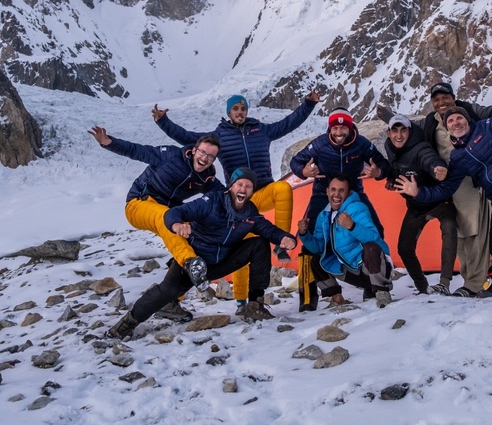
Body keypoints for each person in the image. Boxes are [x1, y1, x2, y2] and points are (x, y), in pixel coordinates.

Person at [152, 90, 320, 310]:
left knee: (282, 188)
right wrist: (163, 121)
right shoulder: (220, 136)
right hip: (239, 199)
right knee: (240, 245)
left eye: (243, 108)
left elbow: (289, 123)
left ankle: (281, 244)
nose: (240, 112)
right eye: (235, 109)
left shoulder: (262, 130)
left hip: (263, 190)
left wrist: (308, 103)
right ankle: (241, 301)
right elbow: (187, 137)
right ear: (229, 112)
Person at [378, 78, 492, 297]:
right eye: (437, 99)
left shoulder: (470, 114)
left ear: (454, 98)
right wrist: (388, 118)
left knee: (476, 231)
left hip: (473, 184)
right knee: (463, 233)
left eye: (446, 97)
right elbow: (409, 131)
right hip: (450, 181)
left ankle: (475, 283)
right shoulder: (431, 121)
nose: (442, 102)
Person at [108, 167, 298, 339]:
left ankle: (255, 305)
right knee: (167, 291)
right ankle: (126, 324)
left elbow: (268, 230)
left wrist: (285, 238)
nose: (243, 189)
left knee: (259, 244)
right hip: (193, 264)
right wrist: (176, 224)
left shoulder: (250, 213)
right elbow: (175, 213)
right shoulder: (212, 201)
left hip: (221, 263)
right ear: (231, 186)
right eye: (239, 184)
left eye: (248, 186)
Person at [289, 108, 390, 310]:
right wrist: (303, 171)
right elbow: (295, 162)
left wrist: (378, 172)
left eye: (343, 128)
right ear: (330, 128)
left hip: (353, 192)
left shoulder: (361, 144)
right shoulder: (320, 144)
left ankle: (372, 284)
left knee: (375, 231)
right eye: (335, 128)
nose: (339, 132)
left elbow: (382, 164)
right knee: (309, 240)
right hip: (322, 194)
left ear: (350, 128)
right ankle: (308, 298)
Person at [88, 125, 223, 274]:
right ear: (194, 150)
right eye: (202, 152)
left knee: (197, 228)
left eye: (210, 156)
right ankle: (190, 263)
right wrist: (108, 142)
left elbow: (226, 196)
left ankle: (187, 274)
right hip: (139, 203)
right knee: (166, 216)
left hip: (170, 210)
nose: (204, 158)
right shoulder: (170, 156)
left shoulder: (207, 178)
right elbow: (136, 150)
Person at [382, 114, 458, 295]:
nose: (399, 135)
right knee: (404, 248)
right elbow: (396, 167)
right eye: (395, 131)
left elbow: (429, 158)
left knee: (449, 227)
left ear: (410, 132)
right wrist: (391, 178)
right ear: (388, 133)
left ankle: (444, 283)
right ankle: (423, 287)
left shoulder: (420, 147)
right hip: (416, 206)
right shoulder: (389, 147)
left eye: (403, 131)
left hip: (439, 201)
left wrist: (437, 168)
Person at [297, 174, 394, 308]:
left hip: (371, 268)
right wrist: (304, 234)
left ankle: (382, 292)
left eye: (341, 190)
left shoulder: (357, 208)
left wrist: (352, 226)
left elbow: (374, 237)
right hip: (351, 270)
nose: (336, 194)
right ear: (327, 191)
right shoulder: (323, 215)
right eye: (333, 189)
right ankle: (337, 299)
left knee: (371, 247)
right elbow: (319, 247)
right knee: (317, 260)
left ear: (348, 194)